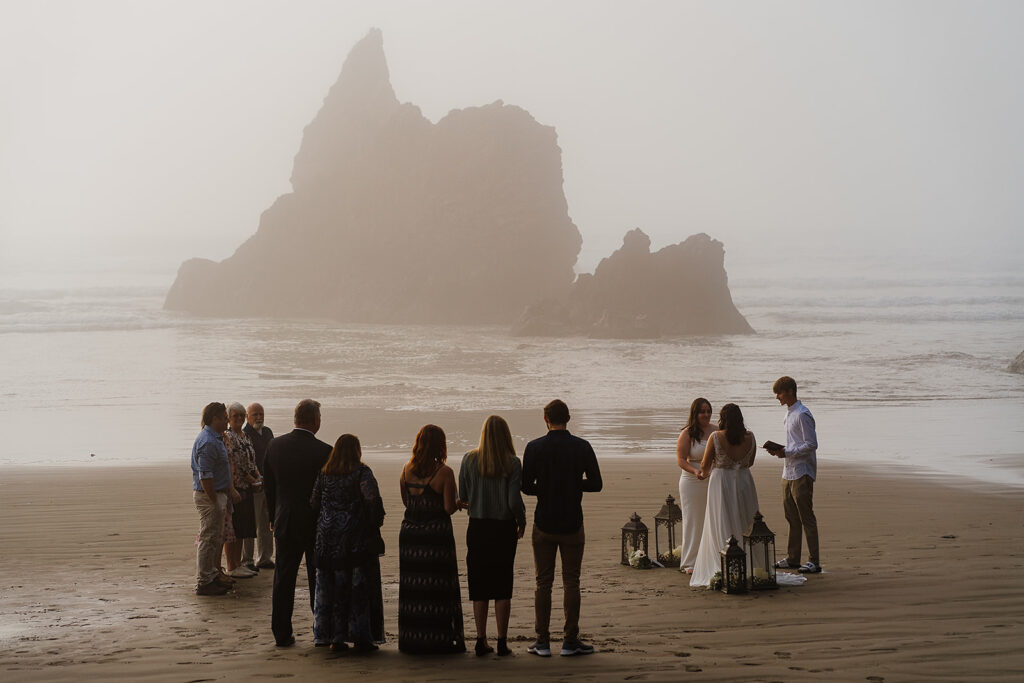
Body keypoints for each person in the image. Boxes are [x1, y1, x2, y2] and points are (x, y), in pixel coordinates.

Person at [521, 399, 602, 658]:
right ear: (568, 418)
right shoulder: (582, 447)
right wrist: (573, 485)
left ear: (546, 419)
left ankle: (542, 641)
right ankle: (570, 640)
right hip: (572, 522)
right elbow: (596, 483)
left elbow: (525, 486)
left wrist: (545, 488)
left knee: (543, 582)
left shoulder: (534, 448)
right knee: (571, 582)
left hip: (544, 521)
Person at [264, 399, 332, 647]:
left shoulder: (275, 446)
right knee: (318, 577)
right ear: (314, 421)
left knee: (284, 578)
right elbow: (327, 491)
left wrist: (273, 516)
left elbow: (269, 488)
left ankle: (281, 633)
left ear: (295, 418)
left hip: (285, 520)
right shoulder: (325, 451)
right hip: (315, 523)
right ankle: (321, 629)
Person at [458, 415, 527, 657]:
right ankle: (501, 641)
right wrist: (522, 521)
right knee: (502, 584)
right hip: (502, 528)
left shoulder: (468, 459)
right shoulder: (512, 462)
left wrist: (477, 500)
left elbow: (462, 495)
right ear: (506, 435)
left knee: (479, 585)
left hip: (477, 527)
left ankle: (480, 639)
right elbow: (513, 501)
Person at [310, 434, 385, 653]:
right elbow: (372, 501)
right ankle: (360, 636)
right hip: (354, 539)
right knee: (357, 587)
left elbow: (313, 502)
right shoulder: (362, 473)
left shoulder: (324, 474)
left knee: (329, 587)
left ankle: (332, 636)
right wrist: (373, 522)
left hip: (326, 538)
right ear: (357, 451)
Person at [397, 424, 466, 654]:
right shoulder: (444, 473)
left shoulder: (406, 469)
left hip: (410, 535)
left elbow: (408, 503)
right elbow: (447, 508)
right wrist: (458, 503)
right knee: (436, 587)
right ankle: (437, 637)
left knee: (413, 587)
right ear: (441, 446)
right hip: (435, 537)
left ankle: (413, 636)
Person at [689, 403, 759, 588]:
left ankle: (723, 563)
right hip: (744, 481)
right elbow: (750, 462)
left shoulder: (716, 436)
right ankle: (749, 563)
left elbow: (705, 464)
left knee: (720, 520)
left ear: (723, 419)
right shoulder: (750, 437)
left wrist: (702, 473)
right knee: (745, 519)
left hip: (721, 482)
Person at [766, 376, 821, 574]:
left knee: (806, 516)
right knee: (791, 517)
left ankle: (814, 560)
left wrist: (787, 452)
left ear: (790, 391)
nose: (777, 397)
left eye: (779, 393)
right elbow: (795, 443)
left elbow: (811, 444)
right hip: (788, 471)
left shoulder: (802, 414)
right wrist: (781, 451)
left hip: (802, 471)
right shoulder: (788, 415)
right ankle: (793, 558)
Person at [190, 402, 240, 596]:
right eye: (224, 417)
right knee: (208, 538)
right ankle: (204, 581)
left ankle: (212, 575)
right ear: (215, 419)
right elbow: (205, 475)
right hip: (209, 496)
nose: (227, 420)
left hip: (218, 494)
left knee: (216, 538)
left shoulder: (216, 437)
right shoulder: (207, 441)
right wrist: (213, 500)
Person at [675, 398, 713, 574]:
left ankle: (710, 556)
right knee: (693, 520)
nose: (706, 415)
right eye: (702, 411)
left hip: (713, 479)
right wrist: (694, 471)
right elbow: (681, 460)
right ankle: (691, 560)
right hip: (692, 481)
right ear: (695, 414)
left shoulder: (716, 430)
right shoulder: (687, 433)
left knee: (712, 519)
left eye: (708, 411)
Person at [224, 402, 260, 578]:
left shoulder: (245, 435)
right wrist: (254, 481)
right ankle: (231, 565)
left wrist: (258, 476)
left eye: (241, 415)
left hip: (248, 487)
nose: (238, 419)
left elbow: (251, 461)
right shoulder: (229, 437)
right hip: (237, 487)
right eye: (234, 416)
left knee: (243, 528)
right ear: (229, 419)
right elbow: (238, 465)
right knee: (234, 529)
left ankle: (238, 564)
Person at [243, 402, 275, 571]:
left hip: (268, 485)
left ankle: (264, 558)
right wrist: (255, 479)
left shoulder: (268, 432)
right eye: (254, 414)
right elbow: (245, 461)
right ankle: (247, 560)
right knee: (251, 524)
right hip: (253, 485)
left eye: (261, 413)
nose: (259, 417)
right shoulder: (244, 434)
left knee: (267, 523)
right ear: (247, 417)